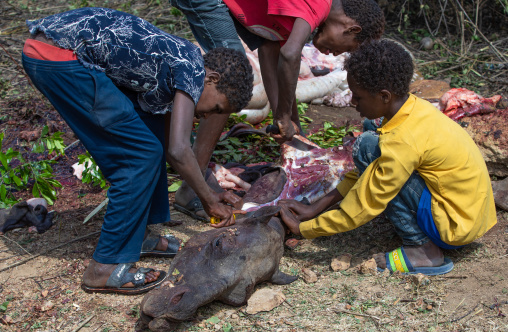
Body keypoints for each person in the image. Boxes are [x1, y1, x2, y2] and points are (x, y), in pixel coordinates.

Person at [22, 7, 253, 294]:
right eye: (217, 107)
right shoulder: (192, 70)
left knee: (150, 138)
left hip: (56, 50)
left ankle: (138, 233)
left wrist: (211, 191)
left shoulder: (182, 65)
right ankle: (104, 267)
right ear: (213, 78)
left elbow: (170, 146)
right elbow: (180, 149)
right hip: (58, 56)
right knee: (137, 156)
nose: (208, 115)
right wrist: (208, 200)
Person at [279, 39, 497, 275]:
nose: (352, 102)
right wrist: (315, 207)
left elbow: (366, 203)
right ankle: (422, 234)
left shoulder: (402, 139)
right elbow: (370, 171)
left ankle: (423, 251)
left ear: (384, 96)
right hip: (470, 217)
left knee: (367, 146)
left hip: (455, 227)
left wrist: (306, 228)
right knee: (370, 138)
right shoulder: (412, 108)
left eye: (358, 97)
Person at [170, 0, 385, 221]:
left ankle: (197, 175)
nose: (334, 54)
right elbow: (290, 54)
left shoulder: (298, 17)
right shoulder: (318, 4)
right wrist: (283, 116)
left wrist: (290, 123)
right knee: (229, 78)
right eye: (346, 47)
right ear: (351, 29)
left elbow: (271, 50)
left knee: (233, 75)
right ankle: (191, 187)